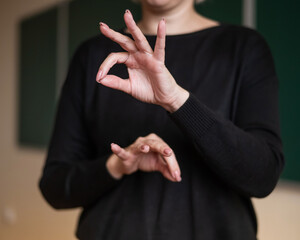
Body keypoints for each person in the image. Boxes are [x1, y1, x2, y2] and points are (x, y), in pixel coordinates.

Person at [39, 0, 285, 239]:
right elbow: (55, 186)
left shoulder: (243, 48)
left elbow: (262, 175)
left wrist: (176, 100)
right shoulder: (92, 56)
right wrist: (117, 165)